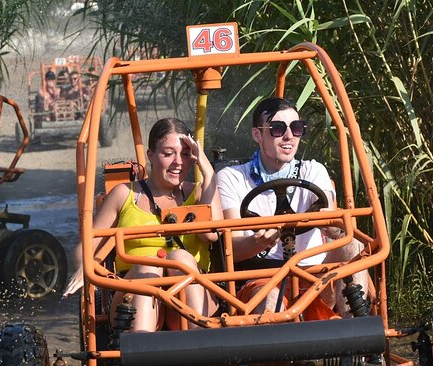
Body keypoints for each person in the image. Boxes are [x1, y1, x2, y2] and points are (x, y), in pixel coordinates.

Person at [63, 118, 222, 332]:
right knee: (148, 265)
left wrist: (208, 171)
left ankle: (201, 351)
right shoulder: (124, 194)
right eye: (168, 154)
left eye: (185, 154)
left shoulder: (201, 192)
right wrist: (86, 264)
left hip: (187, 302)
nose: (178, 162)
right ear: (151, 156)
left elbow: (213, 235)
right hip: (134, 296)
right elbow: (84, 250)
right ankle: (142, 350)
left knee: (180, 259)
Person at [216, 97, 369, 318]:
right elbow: (232, 247)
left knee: (352, 244)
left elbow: (335, 225)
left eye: (297, 128)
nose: (289, 136)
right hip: (264, 278)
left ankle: (359, 342)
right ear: (257, 135)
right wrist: (258, 241)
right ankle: (277, 348)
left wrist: (330, 225)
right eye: (278, 129)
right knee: (269, 297)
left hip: (315, 276)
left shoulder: (313, 172)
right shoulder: (232, 178)